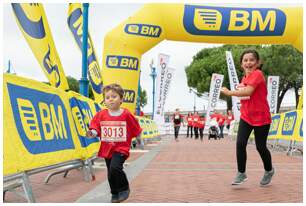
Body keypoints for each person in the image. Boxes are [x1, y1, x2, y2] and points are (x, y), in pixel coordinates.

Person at [221, 49, 274, 186]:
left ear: (258, 63)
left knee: (260, 147)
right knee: (240, 143)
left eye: (251, 60)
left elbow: (248, 91)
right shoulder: (244, 78)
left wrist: (229, 92)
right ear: (241, 64)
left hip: (261, 117)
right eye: (245, 60)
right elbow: (245, 96)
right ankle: (241, 173)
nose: (248, 62)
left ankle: (269, 170)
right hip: (246, 117)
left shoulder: (258, 74)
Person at [86, 83, 142, 203]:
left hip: (121, 148)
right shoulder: (101, 114)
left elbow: (135, 127)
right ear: (104, 101)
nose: (110, 99)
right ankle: (114, 193)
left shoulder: (126, 114)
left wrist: (139, 138)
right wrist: (93, 132)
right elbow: (95, 127)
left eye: (114, 96)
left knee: (115, 167)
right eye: (107, 97)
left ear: (121, 99)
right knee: (110, 172)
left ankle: (124, 188)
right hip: (107, 148)